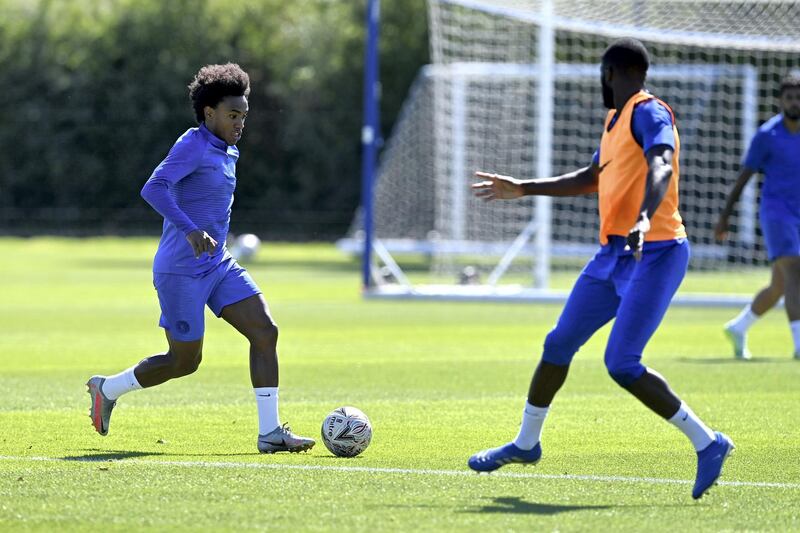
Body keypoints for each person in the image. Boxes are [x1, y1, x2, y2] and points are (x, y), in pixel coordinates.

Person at [468, 38, 733, 499]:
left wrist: (646, 216)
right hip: (613, 254)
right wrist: (524, 188)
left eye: (600, 74)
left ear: (611, 73)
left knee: (621, 363)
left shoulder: (648, 111)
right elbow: (592, 178)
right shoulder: (614, 121)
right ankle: (527, 444)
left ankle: (708, 443)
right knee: (558, 343)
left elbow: (663, 164)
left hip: (657, 252)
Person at [86, 63, 315, 454]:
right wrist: (190, 229)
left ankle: (270, 432)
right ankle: (107, 388)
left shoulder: (228, 148)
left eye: (243, 115)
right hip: (180, 270)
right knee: (184, 361)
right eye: (232, 115)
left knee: (265, 331)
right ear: (209, 113)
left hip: (217, 264)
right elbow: (153, 188)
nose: (240, 122)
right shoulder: (191, 144)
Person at [715, 76, 800, 360]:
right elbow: (744, 177)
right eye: (789, 97)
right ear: (780, 101)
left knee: (780, 286)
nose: (794, 102)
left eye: (798, 97)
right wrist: (726, 216)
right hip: (777, 213)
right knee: (795, 275)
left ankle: (738, 327)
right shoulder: (767, 135)